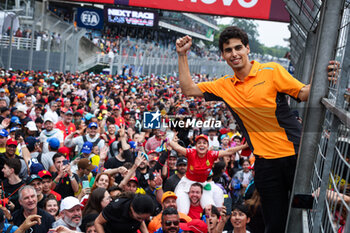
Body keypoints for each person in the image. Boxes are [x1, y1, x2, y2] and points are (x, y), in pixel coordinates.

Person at [175, 26, 320, 233]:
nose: (234, 54)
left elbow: (303, 92)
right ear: (223, 56)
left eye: (238, 48)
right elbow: (188, 89)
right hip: (265, 163)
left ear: (247, 49)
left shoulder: (272, 71)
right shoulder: (224, 85)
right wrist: (182, 55)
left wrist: (321, 80)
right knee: (274, 224)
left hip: (295, 156)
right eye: (228, 50)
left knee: (305, 215)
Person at [168, 134, 246, 214]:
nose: (202, 145)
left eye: (204, 143)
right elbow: (177, 147)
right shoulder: (191, 152)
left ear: (208, 146)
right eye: (199, 143)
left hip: (203, 185)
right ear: (195, 146)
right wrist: (167, 139)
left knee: (211, 212)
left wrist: (244, 146)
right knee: (182, 212)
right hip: (186, 184)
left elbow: (228, 151)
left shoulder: (212, 155)